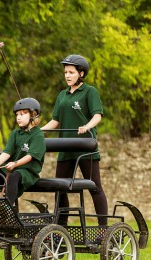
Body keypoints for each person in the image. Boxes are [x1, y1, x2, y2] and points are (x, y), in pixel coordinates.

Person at [41, 54, 108, 226]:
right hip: (65, 148)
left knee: (95, 187)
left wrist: (87, 126)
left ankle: (103, 228)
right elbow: (55, 121)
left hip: (85, 147)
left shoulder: (89, 91)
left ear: (81, 74)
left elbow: (97, 115)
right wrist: (38, 131)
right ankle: (60, 228)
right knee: (60, 189)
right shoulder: (62, 95)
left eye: (71, 72)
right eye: (65, 72)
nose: (67, 75)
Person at [0, 98, 45, 208]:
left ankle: (8, 208)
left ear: (34, 115)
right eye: (17, 114)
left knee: (14, 176)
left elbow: (30, 156)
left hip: (27, 172)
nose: (18, 117)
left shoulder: (38, 135)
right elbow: (7, 152)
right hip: (11, 169)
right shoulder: (15, 133)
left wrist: (15, 163)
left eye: (23, 114)